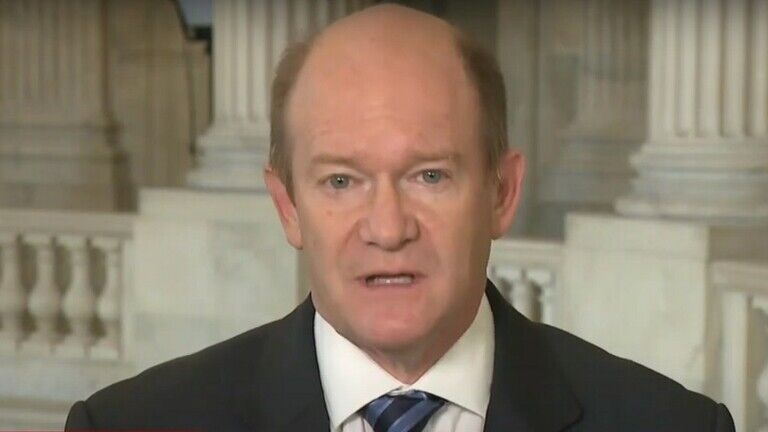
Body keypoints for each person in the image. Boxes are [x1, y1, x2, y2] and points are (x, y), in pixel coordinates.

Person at [65, 4, 735, 431]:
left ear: (502, 193)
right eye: (341, 181)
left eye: (429, 176)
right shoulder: (132, 423)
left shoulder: (670, 425)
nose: (388, 230)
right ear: (288, 207)